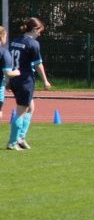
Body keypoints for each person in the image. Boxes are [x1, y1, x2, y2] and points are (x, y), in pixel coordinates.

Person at [7, 17, 51, 150]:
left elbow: (11, 61)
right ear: (35, 29)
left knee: (30, 107)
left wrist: (9, 80)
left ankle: (21, 137)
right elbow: (38, 64)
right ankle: (13, 142)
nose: (40, 34)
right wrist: (45, 80)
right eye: (40, 31)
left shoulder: (16, 41)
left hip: (15, 78)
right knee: (21, 111)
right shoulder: (33, 44)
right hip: (25, 80)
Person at [1, 26, 21, 120]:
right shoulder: (3, 53)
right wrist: (17, 72)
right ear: (1, 37)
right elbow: (8, 73)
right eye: (5, 37)